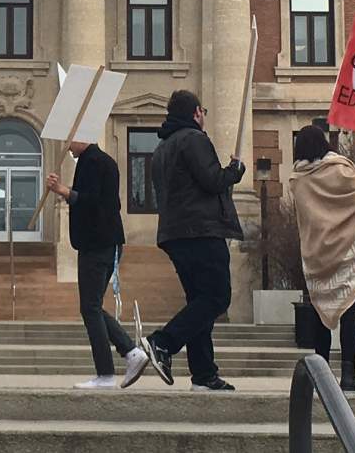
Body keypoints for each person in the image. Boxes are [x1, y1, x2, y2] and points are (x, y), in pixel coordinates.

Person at [142, 90, 245, 391]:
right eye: (204, 112)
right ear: (197, 112)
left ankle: (203, 373)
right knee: (217, 298)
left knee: (199, 302)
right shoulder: (194, 139)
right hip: (201, 231)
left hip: (176, 235)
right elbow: (212, 180)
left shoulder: (162, 148)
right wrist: (234, 171)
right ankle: (162, 342)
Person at [288, 124, 355, 393]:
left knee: (320, 316)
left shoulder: (298, 180)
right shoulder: (340, 170)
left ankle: (322, 376)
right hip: (346, 254)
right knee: (349, 314)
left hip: (317, 256)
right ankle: (348, 375)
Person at [47, 141, 148, 389]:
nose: (68, 145)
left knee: (90, 307)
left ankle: (107, 372)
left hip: (97, 244)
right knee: (92, 306)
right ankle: (131, 353)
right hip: (105, 243)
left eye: (72, 138)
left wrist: (63, 190)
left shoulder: (92, 162)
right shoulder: (101, 161)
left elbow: (92, 201)